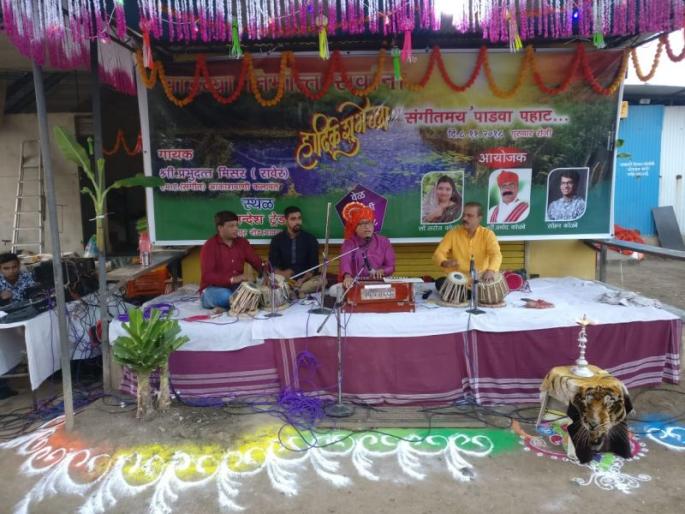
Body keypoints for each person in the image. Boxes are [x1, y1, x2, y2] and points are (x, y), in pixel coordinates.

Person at [200, 211, 263, 310]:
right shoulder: (210, 246)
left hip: (235, 288)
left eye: (236, 225)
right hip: (213, 289)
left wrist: (266, 273)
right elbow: (207, 276)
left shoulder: (242, 243)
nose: (236, 229)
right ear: (220, 228)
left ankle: (226, 308)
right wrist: (232, 279)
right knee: (226, 296)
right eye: (231, 226)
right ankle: (230, 305)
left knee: (256, 295)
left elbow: (256, 262)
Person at [433, 202, 502, 282]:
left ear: (479, 218)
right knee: (440, 282)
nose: (465, 218)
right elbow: (438, 253)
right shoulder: (453, 233)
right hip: (458, 280)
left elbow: (496, 255)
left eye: (469, 216)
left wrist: (491, 270)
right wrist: (444, 262)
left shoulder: (488, 234)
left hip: (480, 279)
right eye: (464, 215)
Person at [268, 206, 322, 297]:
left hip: (305, 280)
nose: (297, 222)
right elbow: (273, 266)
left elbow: (314, 267)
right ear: (285, 221)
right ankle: (295, 291)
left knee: (322, 280)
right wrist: (284, 275)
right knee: (272, 280)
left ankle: (293, 292)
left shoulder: (310, 239)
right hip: (285, 280)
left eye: (299, 218)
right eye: (293, 219)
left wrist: (303, 279)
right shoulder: (277, 240)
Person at [339, 205, 396, 289]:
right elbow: (345, 262)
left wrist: (382, 271)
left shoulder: (383, 241)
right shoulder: (349, 243)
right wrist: (347, 276)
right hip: (355, 284)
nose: (367, 226)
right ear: (355, 227)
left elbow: (391, 266)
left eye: (369, 222)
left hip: (379, 283)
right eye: (362, 223)